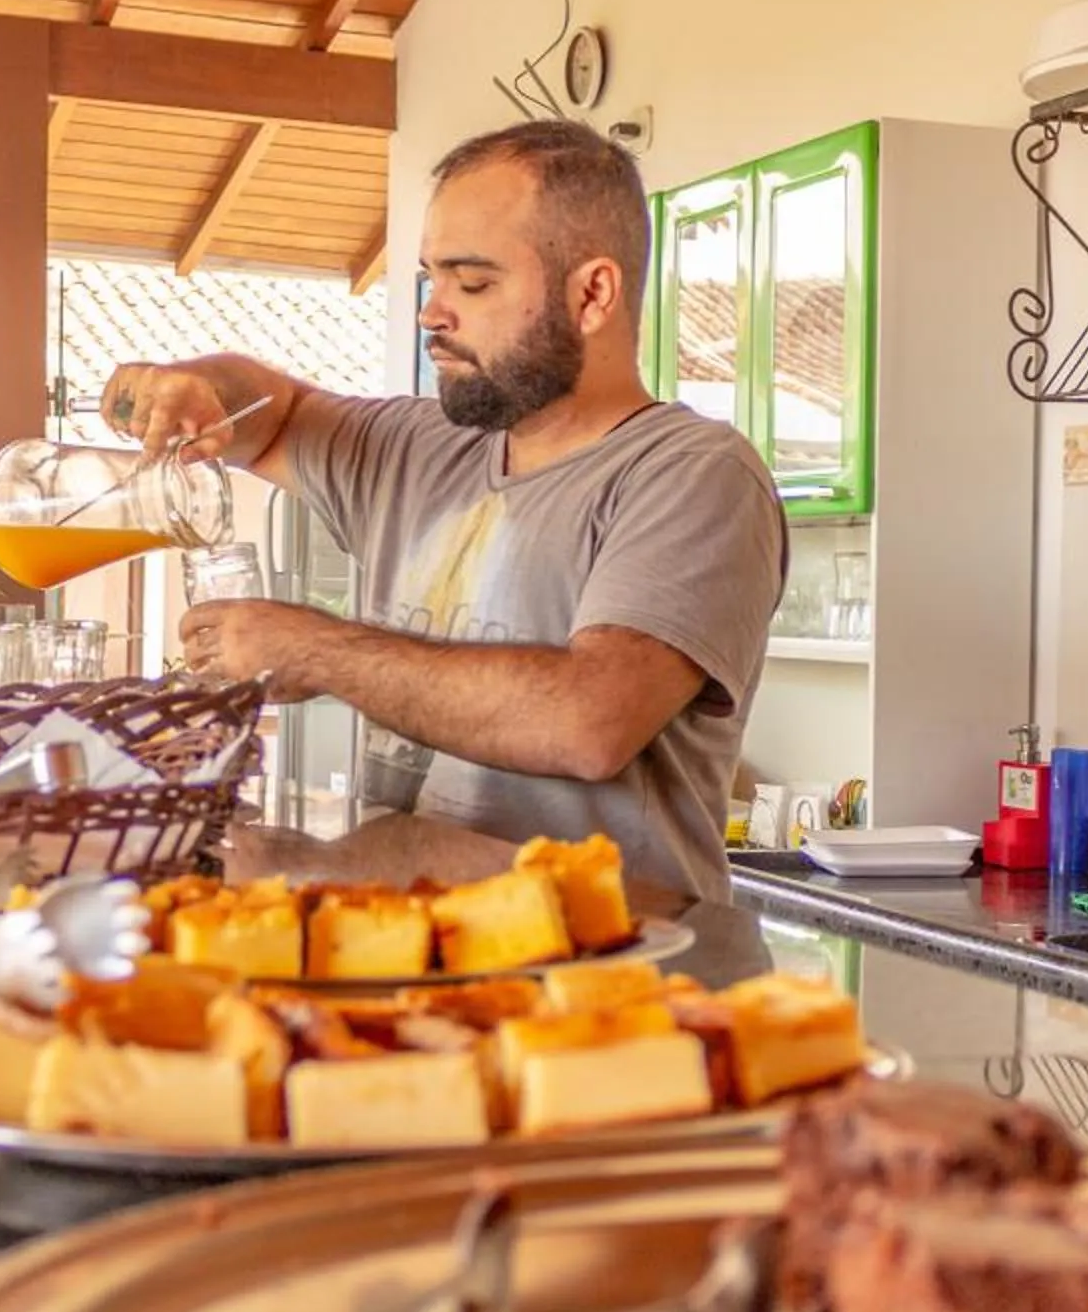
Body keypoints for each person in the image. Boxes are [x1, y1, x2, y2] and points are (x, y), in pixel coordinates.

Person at [103, 118, 787, 901]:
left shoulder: (690, 472)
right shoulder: (421, 447)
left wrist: (317, 651)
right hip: (422, 959)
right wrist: (186, 386)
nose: (432, 312)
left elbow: (590, 723)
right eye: (431, 278)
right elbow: (274, 410)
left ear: (593, 293)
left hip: (612, 983)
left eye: (474, 283)